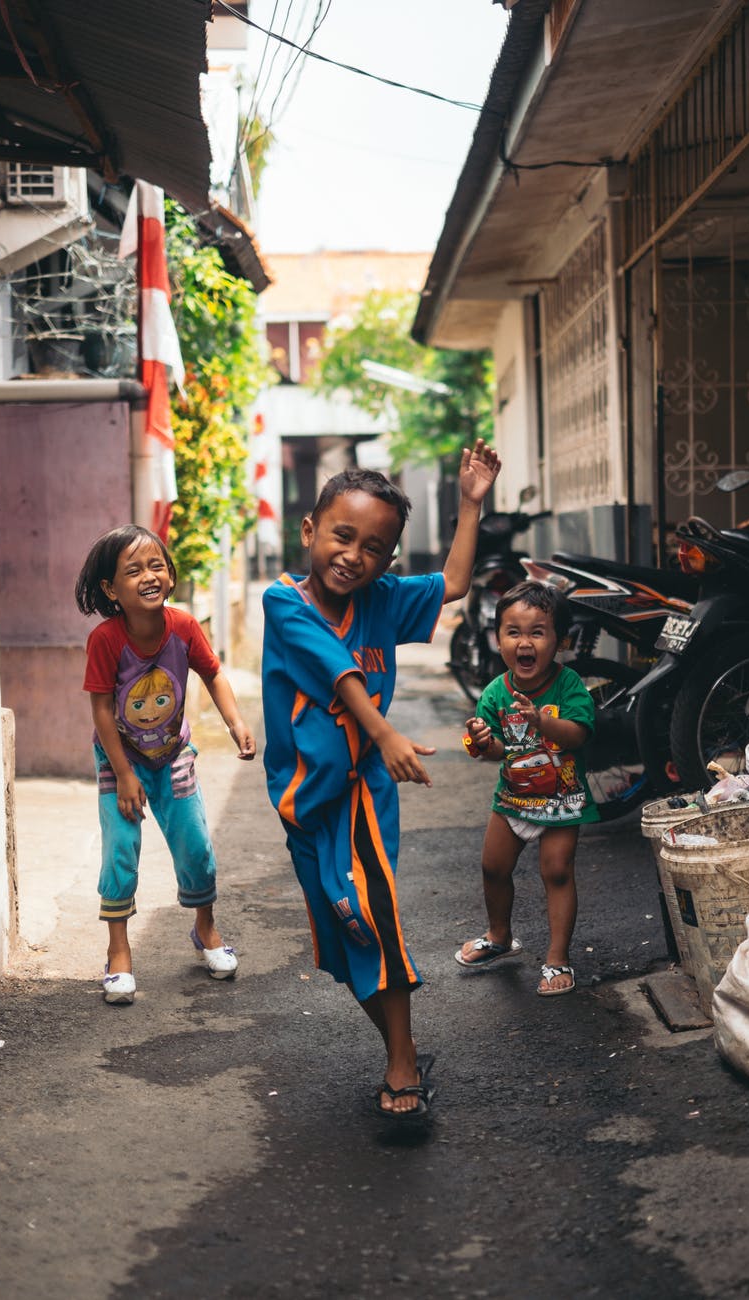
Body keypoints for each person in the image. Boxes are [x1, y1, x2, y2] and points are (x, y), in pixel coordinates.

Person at [261, 442, 500, 1121]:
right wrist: (383, 730)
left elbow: (451, 582)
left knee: (371, 921)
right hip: (302, 803)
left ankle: (400, 1067)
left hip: (363, 796)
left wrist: (469, 504)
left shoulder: (384, 599)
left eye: (373, 547)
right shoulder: (283, 602)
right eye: (342, 535)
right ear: (309, 531)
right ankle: (403, 1046)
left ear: (387, 559)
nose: (353, 555)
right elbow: (337, 669)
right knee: (342, 941)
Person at [76, 525, 256, 1005]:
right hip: (120, 758)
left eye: (156, 565)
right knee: (120, 851)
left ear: (170, 574)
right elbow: (99, 709)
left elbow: (213, 673)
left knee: (195, 846)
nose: (148, 576)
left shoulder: (183, 627)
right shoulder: (106, 640)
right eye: (133, 570)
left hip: (173, 752)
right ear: (112, 590)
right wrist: (126, 774)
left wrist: (235, 722)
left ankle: (206, 931)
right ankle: (118, 953)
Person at [454, 580, 598, 996]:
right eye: (513, 632)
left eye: (537, 632)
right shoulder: (496, 692)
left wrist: (542, 722)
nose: (524, 642)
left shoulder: (569, 685)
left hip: (561, 801)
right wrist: (482, 741)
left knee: (556, 872)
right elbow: (498, 749)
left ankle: (557, 959)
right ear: (498, 639)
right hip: (513, 799)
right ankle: (499, 936)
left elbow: (577, 735)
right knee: (493, 868)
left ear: (560, 641)